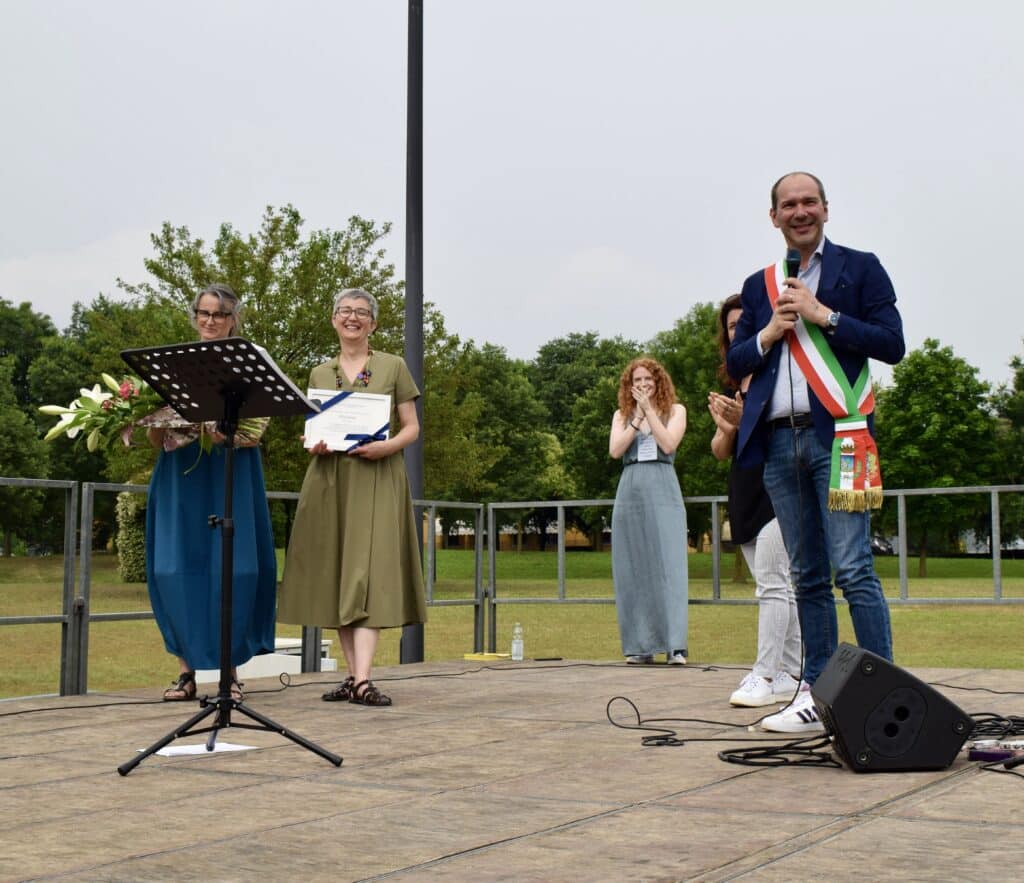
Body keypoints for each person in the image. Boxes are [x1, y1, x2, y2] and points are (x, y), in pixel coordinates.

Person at [727, 172, 905, 732]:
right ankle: (818, 695)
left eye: (809, 201)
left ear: (826, 209)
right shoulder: (760, 285)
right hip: (780, 440)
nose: (799, 211)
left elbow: (892, 344)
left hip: (842, 437)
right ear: (774, 217)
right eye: (788, 204)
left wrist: (823, 315)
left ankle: (883, 690)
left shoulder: (861, 267)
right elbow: (736, 362)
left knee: (852, 568)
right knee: (806, 574)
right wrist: (767, 335)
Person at [277, 288, 426, 706]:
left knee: (367, 574)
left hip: (377, 476)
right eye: (345, 311)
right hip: (329, 479)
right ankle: (354, 677)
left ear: (374, 323)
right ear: (334, 319)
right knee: (340, 573)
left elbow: (411, 427)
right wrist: (315, 444)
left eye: (362, 312)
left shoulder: (393, 366)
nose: (353, 318)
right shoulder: (319, 373)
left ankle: (363, 679)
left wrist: (386, 447)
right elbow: (312, 430)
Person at [146, 283, 277, 701]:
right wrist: (151, 422)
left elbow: (253, 433)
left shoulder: (250, 362)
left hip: (231, 474)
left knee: (235, 570)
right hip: (179, 476)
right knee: (173, 568)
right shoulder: (171, 364)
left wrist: (212, 429)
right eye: (203, 313)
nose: (209, 321)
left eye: (219, 314)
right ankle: (185, 673)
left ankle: (229, 675)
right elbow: (155, 437)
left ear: (234, 319)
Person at [709, 295, 801, 706]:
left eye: (744, 322)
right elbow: (719, 449)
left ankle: (765, 673)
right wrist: (730, 425)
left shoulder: (782, 370)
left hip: (781, 483)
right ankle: (792, 670)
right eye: (731, 327)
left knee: (773, 583)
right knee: (780, 587)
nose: (737, 330)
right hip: (746, 487)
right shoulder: (736, 380)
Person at [609, 357, 689, 665]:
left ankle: (674, 645)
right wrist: (636, 418)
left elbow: (668, 444)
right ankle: (640, 644)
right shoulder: (621, 414)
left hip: (662, 486)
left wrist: (651, 413)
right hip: (631, 488)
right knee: (633, 568)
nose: (642, 385)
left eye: (648, 380)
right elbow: (616, 450)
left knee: (668, 564)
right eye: (637, 381)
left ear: (658, 383)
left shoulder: (675, 410)